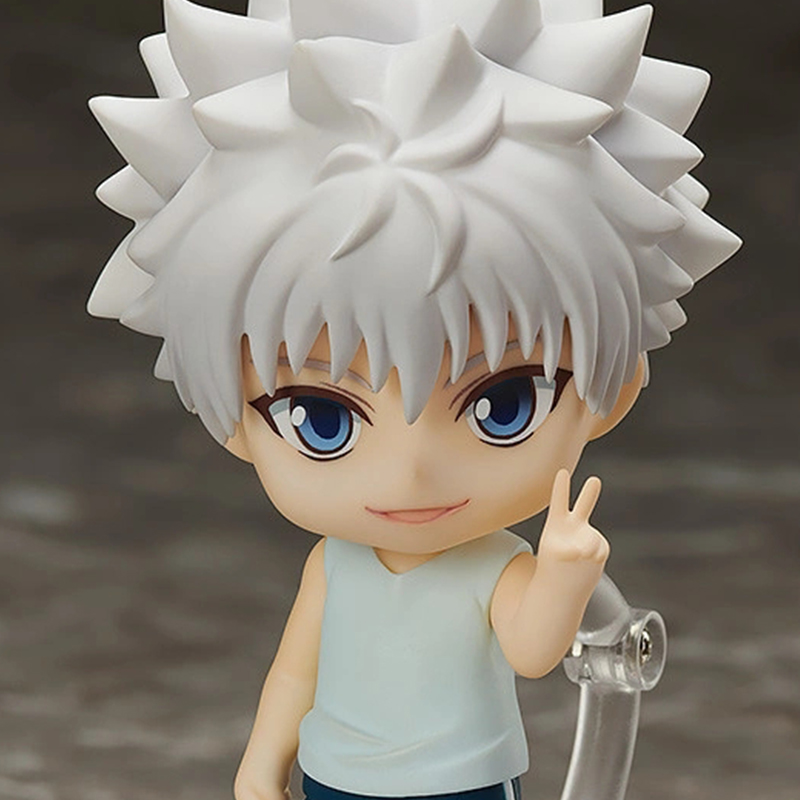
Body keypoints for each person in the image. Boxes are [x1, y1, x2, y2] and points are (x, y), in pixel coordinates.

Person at [88, 1, 741, 798]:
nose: (411, 473)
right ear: (228, 419)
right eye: (321, 420)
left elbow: (533, 652)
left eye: (503, 405)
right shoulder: (335, 564)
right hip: (333, 776)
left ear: (615, 390)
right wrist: (262, 762)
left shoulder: (496, 566)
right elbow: (295, 674)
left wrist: (566, 577)